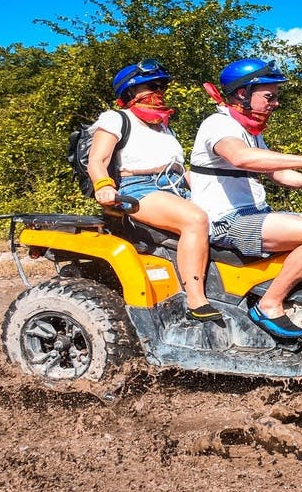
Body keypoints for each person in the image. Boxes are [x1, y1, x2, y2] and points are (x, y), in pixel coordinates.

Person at [190, 57, 302, 341]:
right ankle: (270, 303)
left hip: (254, 214)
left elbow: (281, 175)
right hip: (228, 222)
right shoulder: (219, 124)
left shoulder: (249, 132)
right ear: (242, 93)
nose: (275, 103)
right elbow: (241, 157)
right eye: (269, 96)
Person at [88, 59, 220, 323]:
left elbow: (180, 169)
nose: (158, 91)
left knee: (225, 217)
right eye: (150, 86)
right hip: (140, 189)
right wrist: (103, 186)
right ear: (129, 92)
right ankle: (196, 300)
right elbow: (98, 159)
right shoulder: (117, 118)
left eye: (161, 86)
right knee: (195, 220)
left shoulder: (163, 125)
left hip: (176, 186)